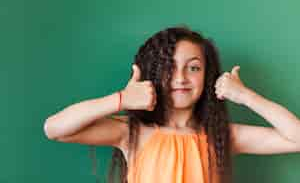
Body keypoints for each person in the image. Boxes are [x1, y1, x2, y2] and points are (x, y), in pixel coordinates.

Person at [43, 26, 300, 183]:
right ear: (153, 74)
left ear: (207, 76)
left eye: (194, 67)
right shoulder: (133, 132)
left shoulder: (222, 136)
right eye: (169, 67)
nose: (180, 78)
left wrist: (245, 96)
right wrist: (121, 99)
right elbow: (55, 128)